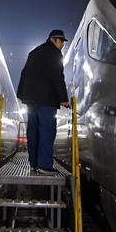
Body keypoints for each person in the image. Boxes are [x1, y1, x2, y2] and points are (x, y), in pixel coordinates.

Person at [16, 29, 69, 175]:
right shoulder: (54, 54)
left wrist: (22, 95)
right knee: (47, 131)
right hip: (46, 100)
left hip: (31, 100)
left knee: (33, 131)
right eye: (62, 41)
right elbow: (57, 77)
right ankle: (44, 165)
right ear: (54, 40)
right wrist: (63, 99)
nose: (63, 44)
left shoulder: (34, 52)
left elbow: (24, 73)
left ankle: (34, 164)